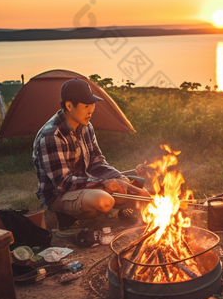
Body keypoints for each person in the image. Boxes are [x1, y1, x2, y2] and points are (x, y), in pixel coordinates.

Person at [33, 78, 149, 227]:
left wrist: (121, 179)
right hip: (58, 195)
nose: (91, 110)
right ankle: (61, 217)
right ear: (69, 105)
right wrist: (102, 183)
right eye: (86, 105)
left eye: (92, 104)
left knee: (132, 190)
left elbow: (96, 162)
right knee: (104, 200)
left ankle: (96, 209)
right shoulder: (52, 135)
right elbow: (63, 182)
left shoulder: (85, 126)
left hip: (84, 184)